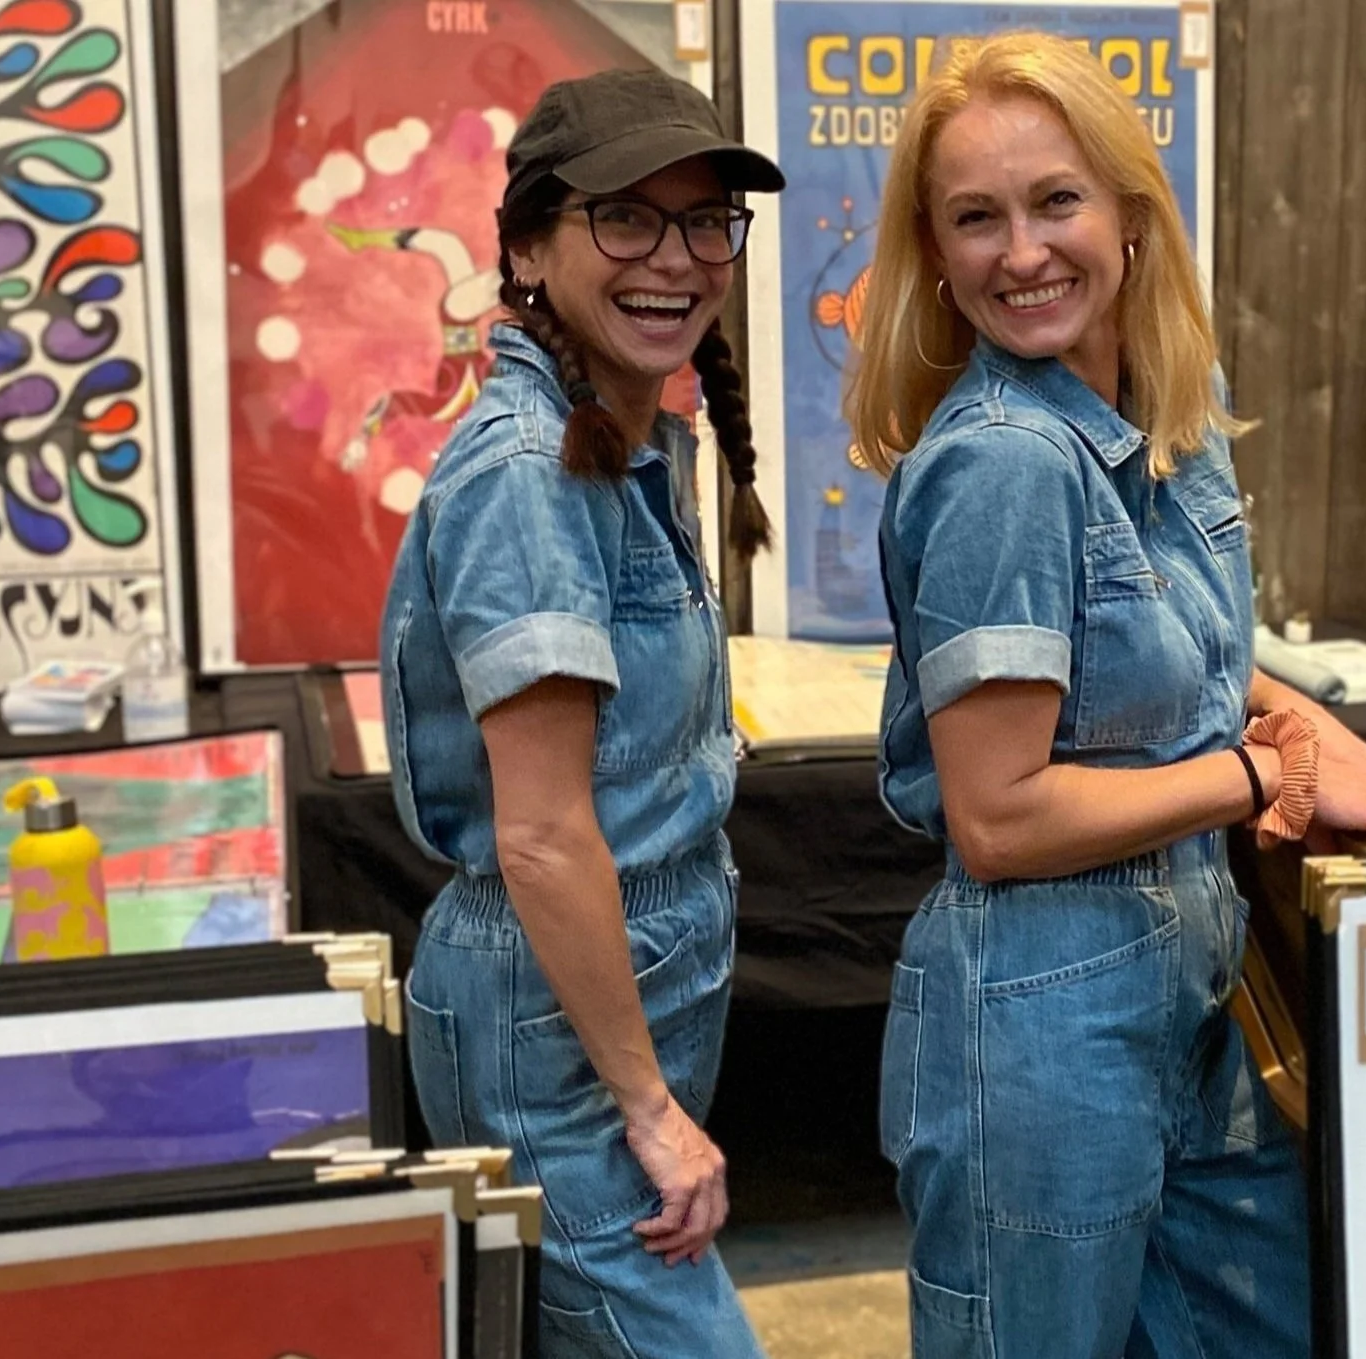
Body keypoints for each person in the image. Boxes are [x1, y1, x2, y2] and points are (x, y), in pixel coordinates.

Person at [842, 31, 1366, 1356]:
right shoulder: (1006, 463)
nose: (1022, 253)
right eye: (976, 218)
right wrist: (1266, 774)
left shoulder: (1174, 403)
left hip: (1192, 1000)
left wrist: (1326, 746)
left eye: (1055, 200)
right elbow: (999, 817)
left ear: (1129, 210)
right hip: (1037, 1031)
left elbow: (1189, 653)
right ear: (935, 252)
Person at [379, 68, 781, 1357]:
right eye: (624, 216)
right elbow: (544, 837)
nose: (676, 257)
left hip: (619, 987)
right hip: (548, 1025)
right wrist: (650, 1111)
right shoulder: (529, 470)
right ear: (526, 250)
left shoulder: (627, 440)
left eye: (705, 220)